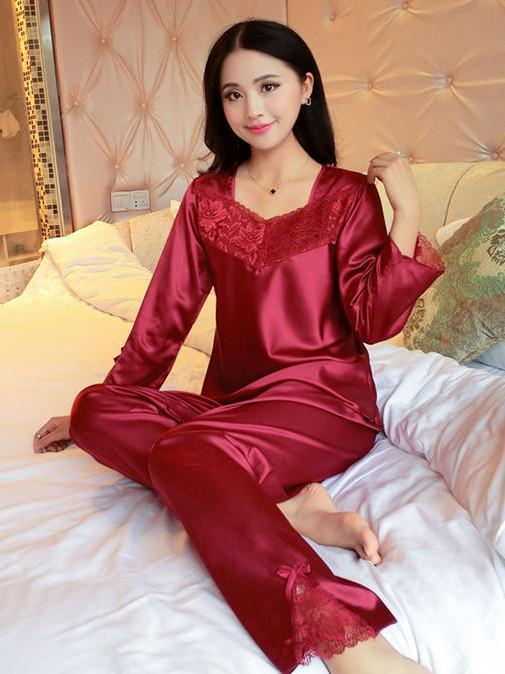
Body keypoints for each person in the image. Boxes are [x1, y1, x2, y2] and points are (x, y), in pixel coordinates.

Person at [32, 18, 444, 674]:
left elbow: (374, 321)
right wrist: (111, 400)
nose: (252, 108)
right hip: (233, 406)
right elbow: (164, 317)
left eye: (268, 86)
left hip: (323, 404)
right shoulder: (206, 199)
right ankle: (287, 505)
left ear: (305, 87)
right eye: (232, 94)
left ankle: (349, 639)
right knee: (92, 411)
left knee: (184, 452)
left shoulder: (346, 196)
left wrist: (408, 214)